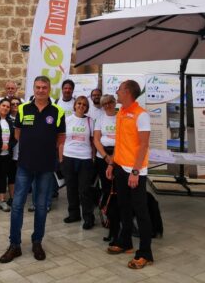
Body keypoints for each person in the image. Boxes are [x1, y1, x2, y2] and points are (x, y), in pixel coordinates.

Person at [0, 76, 66, 263]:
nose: (41, 90)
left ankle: (37, 242)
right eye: (38, 87)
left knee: (42, 207)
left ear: (49, 89)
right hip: (25, 165)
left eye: (44, 87)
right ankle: (15, 245)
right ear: (34, 89)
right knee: (17, 205)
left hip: (46, 166)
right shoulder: (22, 108)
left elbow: (61, 137)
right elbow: (18, 133)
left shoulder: (58, 111)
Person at [107, 79, 154, 269]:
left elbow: (143, 145)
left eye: (119, 89)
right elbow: (121, 142)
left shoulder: (141, 115)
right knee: (123, 207)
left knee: (141, 212)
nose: (116, 92)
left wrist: (135, 171)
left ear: (127, 92)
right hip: (120, 166)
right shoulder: (121, 113)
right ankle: (125, 241)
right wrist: (113, 163)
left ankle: (145, 253)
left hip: (136, 171)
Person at [60, 96, 96, 229]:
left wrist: (92, 158)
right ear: (74, 105)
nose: (81, 106)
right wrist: (61, 159)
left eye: (84, 105)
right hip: (68, 157)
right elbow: (61, 141)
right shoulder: (67, 120)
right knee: (71, 189)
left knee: (85, 189)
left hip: (85, 159)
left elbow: (93, 141)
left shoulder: (90, 121)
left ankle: (88, 217)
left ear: (87, 108)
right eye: (79, 103)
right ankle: (74, 214)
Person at [93, 94, 117, 235]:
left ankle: (118, 215)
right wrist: (105, 156)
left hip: (118, 155)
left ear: (114, 103)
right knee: (106, 187)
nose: (107, 105)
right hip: (102, 156)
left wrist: (112, 158)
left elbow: (122, 138)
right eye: (105, 103)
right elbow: (96, 140)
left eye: (110, 102)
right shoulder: (100, 119)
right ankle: (108, 214)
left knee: (118, 187)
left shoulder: (120, 117)